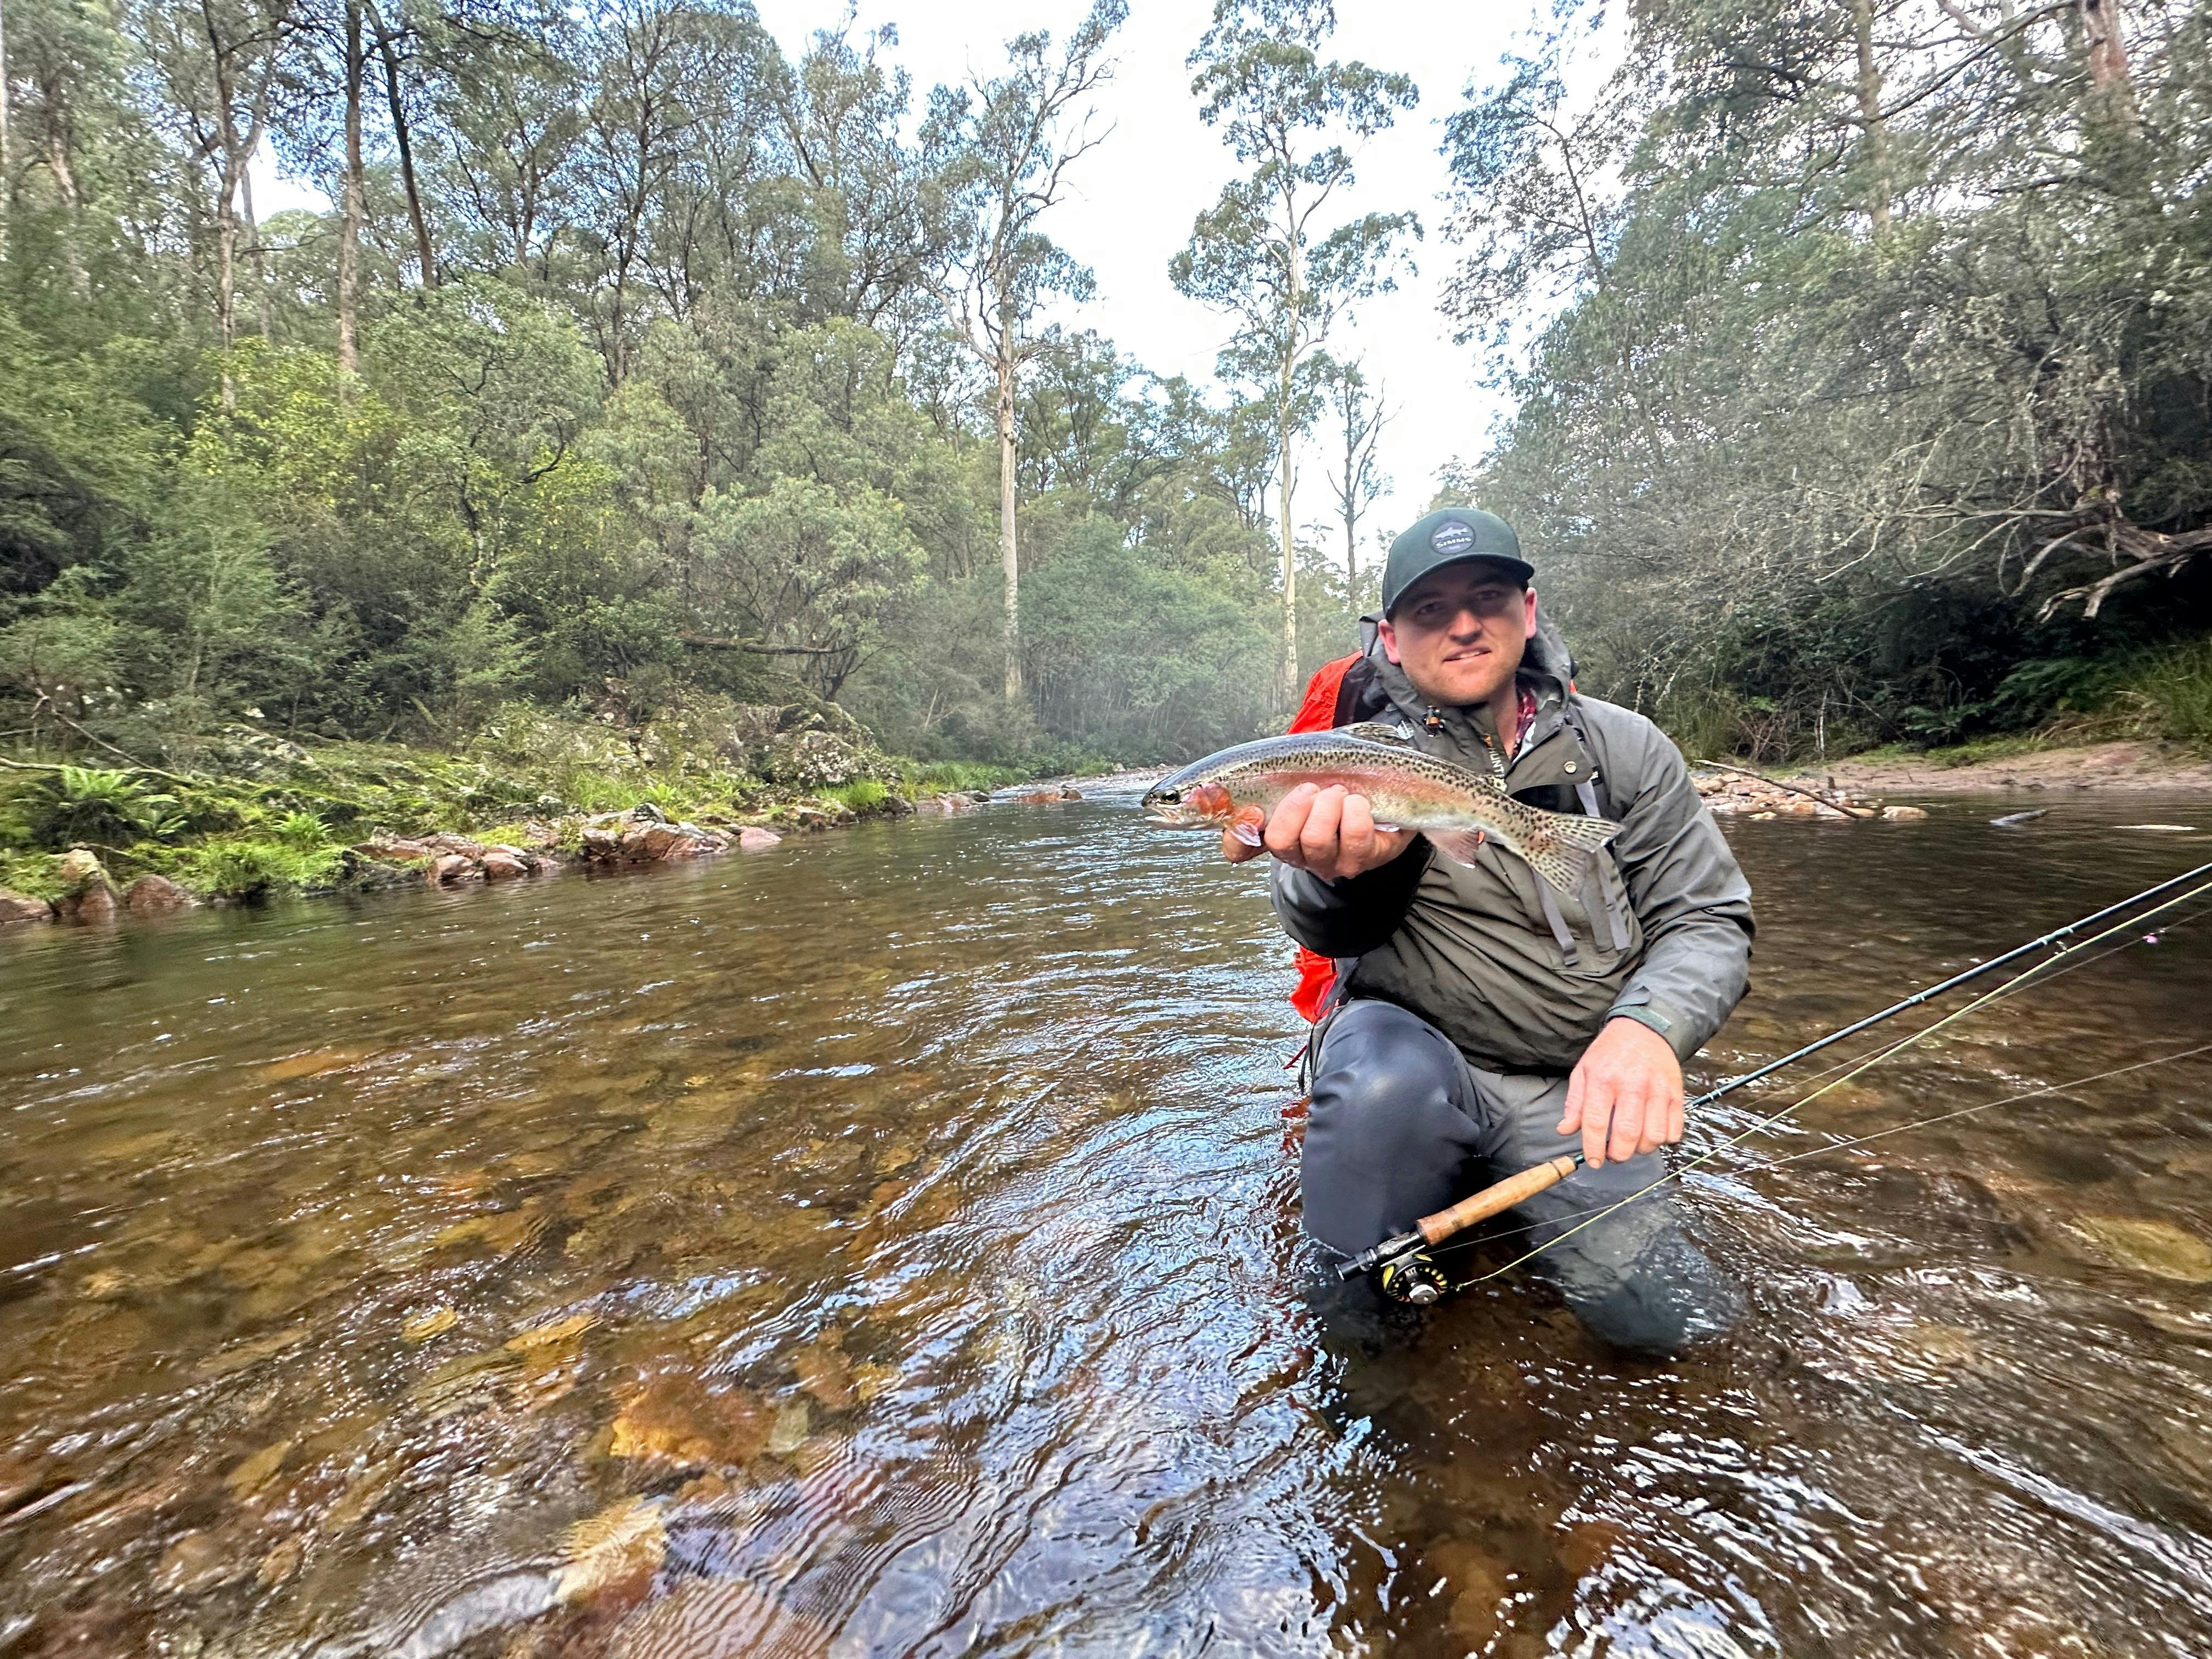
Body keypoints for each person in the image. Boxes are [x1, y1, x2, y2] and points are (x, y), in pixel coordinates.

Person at [1228, 507, 1754, 1353]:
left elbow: (1706, 915)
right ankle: (1359, 1363)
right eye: (1430, 611)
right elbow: (1320, 929)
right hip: (1413, 1062)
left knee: (1669, 1325)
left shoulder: (1626, 752)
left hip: (1577, 1084)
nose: (1464, 624)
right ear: (1391, 640)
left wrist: (1649, 1030)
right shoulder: (1347, 757)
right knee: (1359, 1295)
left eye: (1487, 598)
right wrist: (1347, 867)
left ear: (1530, 610)